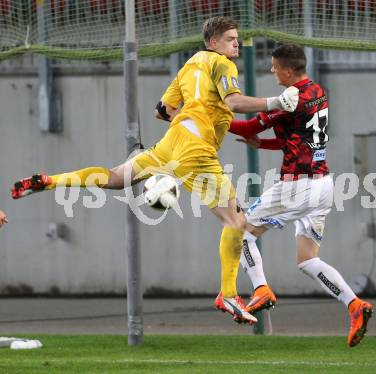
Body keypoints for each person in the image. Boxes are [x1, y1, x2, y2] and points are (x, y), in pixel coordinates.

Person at [11, 17, 299, 325]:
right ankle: (228, 294)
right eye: (230, 39)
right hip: (196, 148)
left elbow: (161, 110)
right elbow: (234, 101)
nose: (236, 43)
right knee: (236, 221)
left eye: (236, 38)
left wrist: (193, 114)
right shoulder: (223, 64)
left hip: (173, 140)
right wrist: (275, 101)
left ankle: (50, 181)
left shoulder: (189, 66)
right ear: (213, 43)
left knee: (116, 177)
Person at [227, 44, 373, 347]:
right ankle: (355, 305)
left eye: (275, 66)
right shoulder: (316, 91)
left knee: (238, 233)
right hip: (322, 185)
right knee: (307, 260)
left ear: (289, 71)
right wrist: (263, 145)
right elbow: (293, 139)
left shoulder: (289, 101)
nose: (272, 71)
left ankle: (261, 289)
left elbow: (248, 124)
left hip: (297, 186)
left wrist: (206, 119)